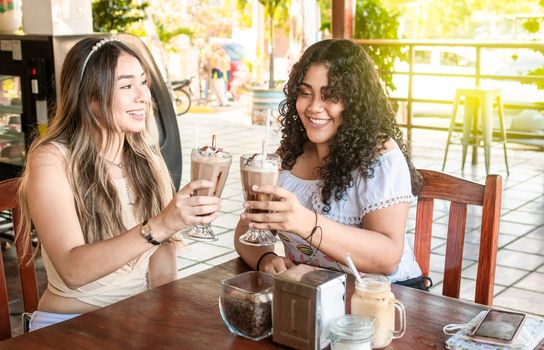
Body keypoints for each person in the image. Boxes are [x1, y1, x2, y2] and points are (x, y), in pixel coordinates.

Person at [17, 36, 221, 330]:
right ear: (91, 98)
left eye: (143, 82)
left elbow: (162, 257)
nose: (143, 96)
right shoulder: (51, 160)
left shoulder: (145, 155)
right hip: (69, 324)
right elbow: (72, 270)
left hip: (132, 318)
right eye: (127, 86)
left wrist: (168, 317)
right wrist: (160, 225)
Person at [234, 39, 429, 290]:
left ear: (355, 101)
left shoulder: (380, 156)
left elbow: (387, 258)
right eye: (305, 93)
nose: (314, 107)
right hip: (316, 296)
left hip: (387, 298)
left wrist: (304, 222)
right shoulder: (289, 154)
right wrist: (266, 259)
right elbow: (245, 233)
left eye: (331, 96)